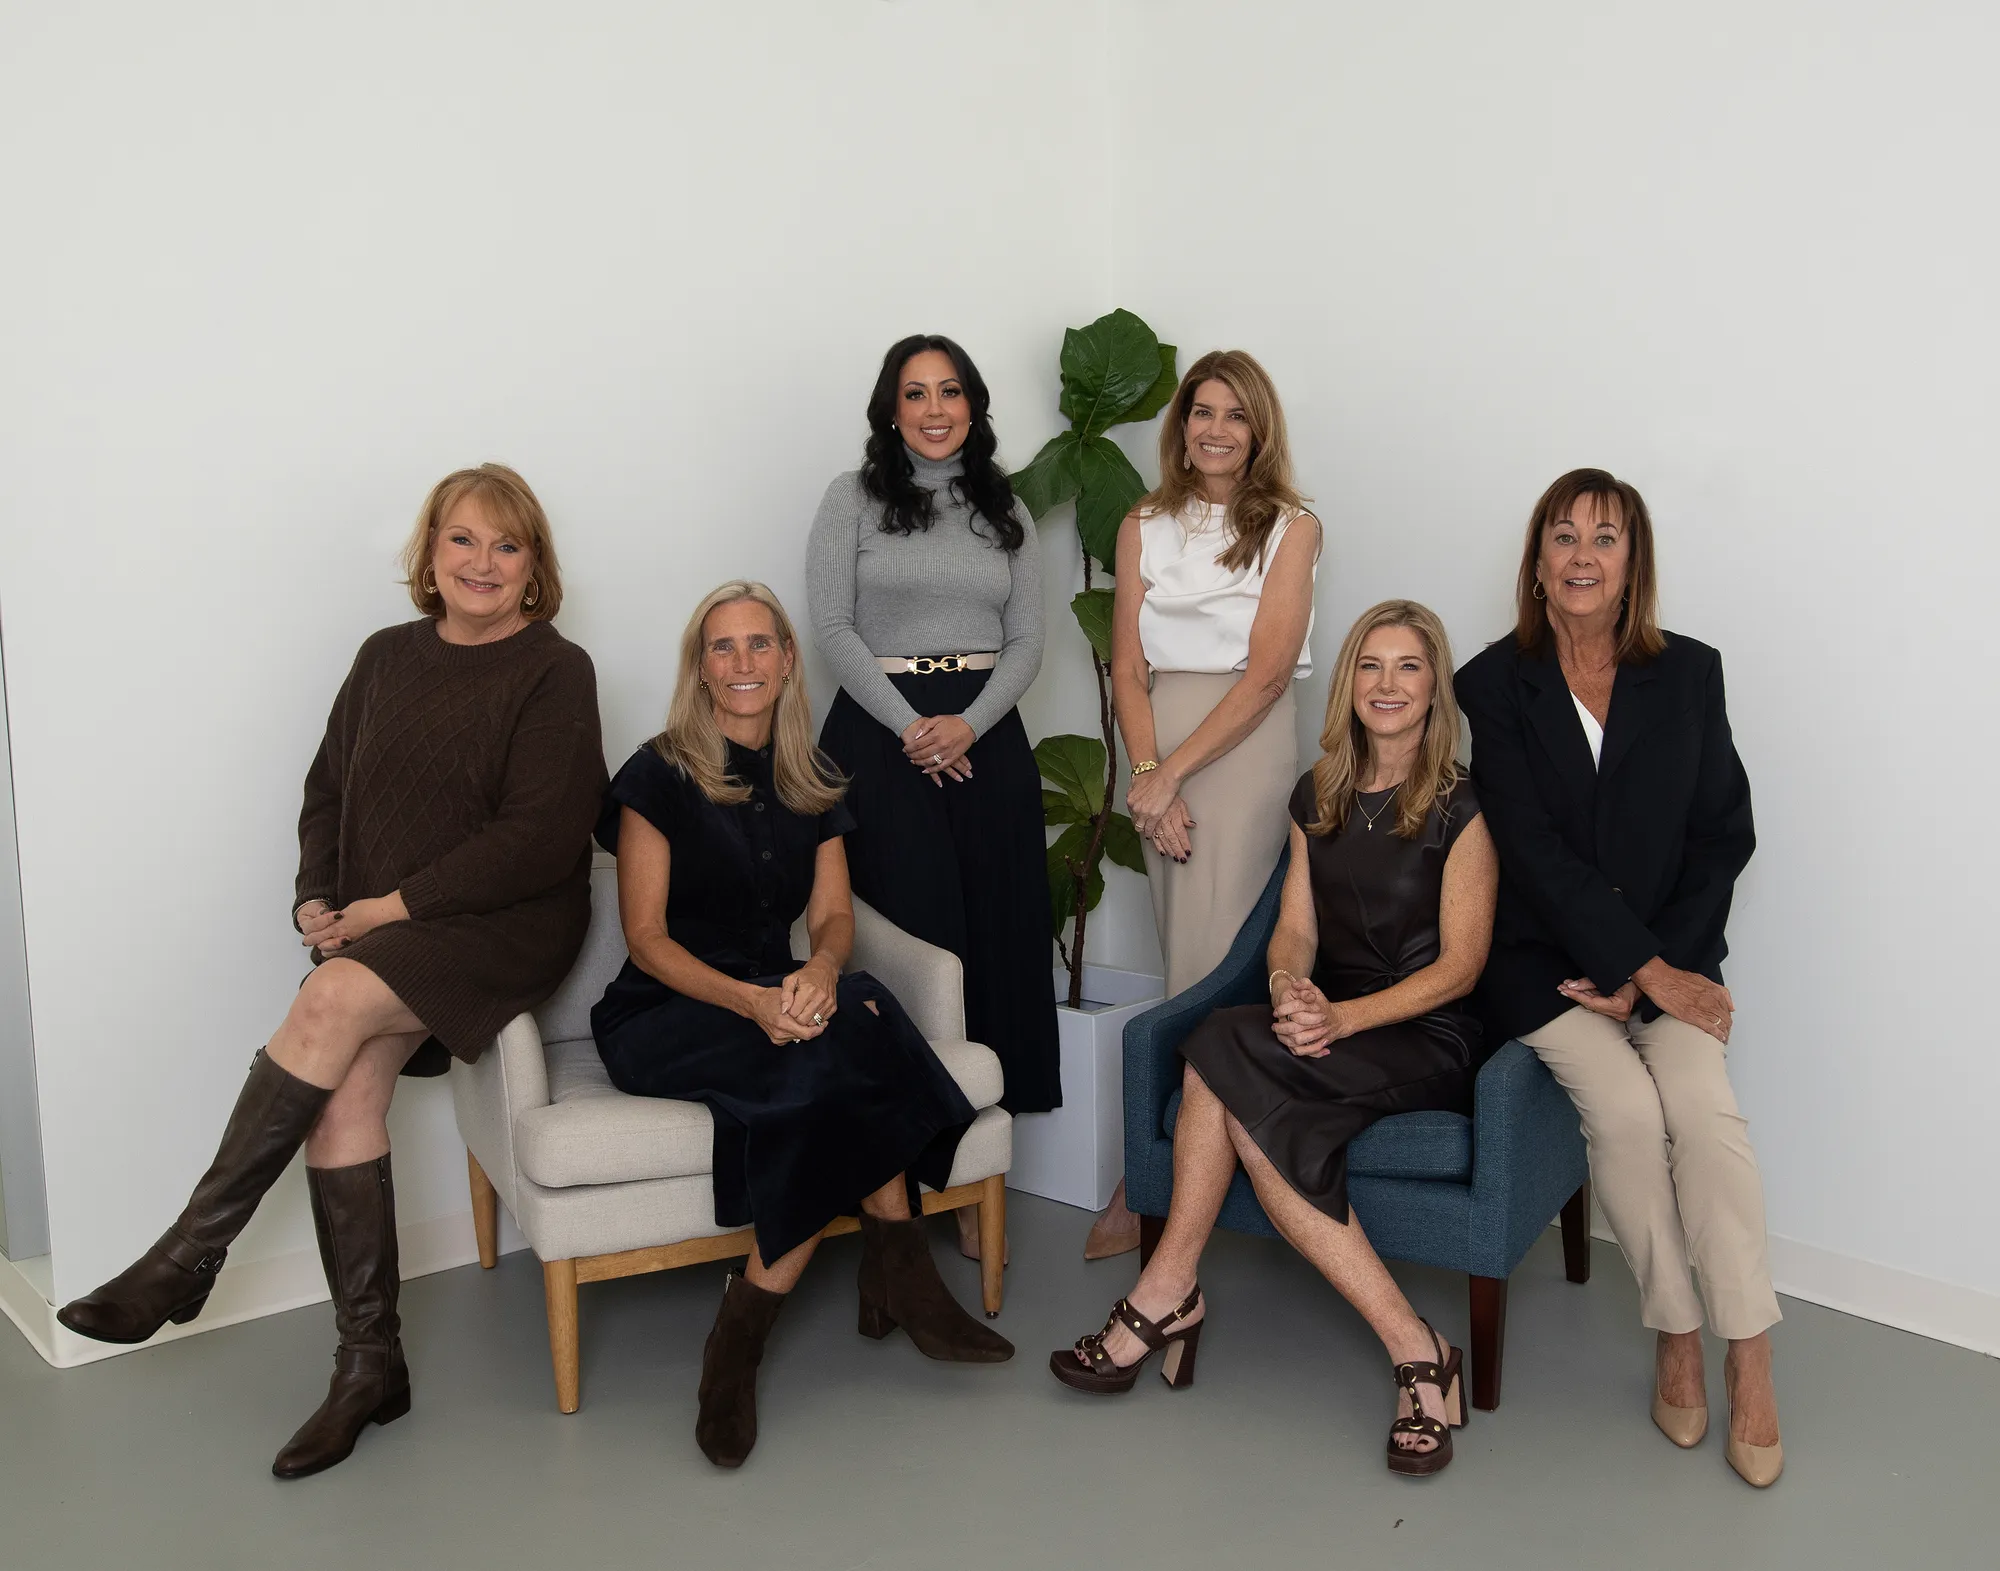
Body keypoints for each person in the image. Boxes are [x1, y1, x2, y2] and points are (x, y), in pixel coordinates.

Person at [58, 464, 606, 1478]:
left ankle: (184, 1257)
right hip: (380, 929)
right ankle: (371, 1364)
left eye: (506, 545)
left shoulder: (553, 668)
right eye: (461, 540)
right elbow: (326, 790)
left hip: (505, 924)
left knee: (331, 996)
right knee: (346, 1077)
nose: (481, 562)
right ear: (429, 554)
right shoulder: (383, 656)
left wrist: (388, 910)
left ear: (534, 569)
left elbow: (540, 836)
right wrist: (315, 894)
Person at [1053, 601, 1497, 1477]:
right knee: (1225, 1044)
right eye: (1371, 665)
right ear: (1348, 683)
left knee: (1227, 1077)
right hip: (1330, 1016)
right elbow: (1291, 929)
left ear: (1433, 687)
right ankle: (1407, 1349)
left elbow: (1462, 969)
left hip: (1420, 1033)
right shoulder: (1318, 795)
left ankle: (1174, 1298)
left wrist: (1343, 1017)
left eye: (1408, 667)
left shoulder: (1460, 806)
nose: (1387, 684)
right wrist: (1291, 987)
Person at [592, 581, 1012, 1469]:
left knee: (858, 1003)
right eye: (722, 647)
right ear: (700, 670)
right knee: (832, 1056)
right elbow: (646, 938)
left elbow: (831, 920)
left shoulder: (811, 779)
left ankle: (848, 1290)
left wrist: (818, 972)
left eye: (760, 644)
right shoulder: (656, 772)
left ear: (787, 660)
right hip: (668, 1009)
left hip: (774, 993)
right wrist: (753, 1001)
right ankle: (786, 1327)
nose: (743, 663)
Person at [1454, 468, 1782, 1488]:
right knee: (1629, 1119)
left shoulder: (1687, 673)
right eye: (1563, 535)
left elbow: (1720, 835)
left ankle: (1749, 1350)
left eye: (1605, 536)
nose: (1583, 554)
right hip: (1543, 970)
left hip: (1669, 961)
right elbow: (1534, 852)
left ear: (1631, 560)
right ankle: (1675, 1331)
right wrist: (1625, 969)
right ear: (1537, 562)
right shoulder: (1490, 683)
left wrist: (1655, 976)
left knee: (1702, 1108)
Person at [807, 333, 1054, 1261]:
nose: (936, 409)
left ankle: (969, 1175)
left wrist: (967, 725)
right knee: (906, 944)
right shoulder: (854, 498)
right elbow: (830, 625)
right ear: (891, 409)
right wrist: (914, 724)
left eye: (951, 391)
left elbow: (1028, 642)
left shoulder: (1006, 507)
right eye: (916, 394)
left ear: (974, 404)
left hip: (985, 735)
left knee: (992, 941)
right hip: (881, 733)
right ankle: (895, 1177)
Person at [1085, 348, 1320, 1258]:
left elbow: (1266, 677)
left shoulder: (1293, 527)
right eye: (1201, 411)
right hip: (1160, 759)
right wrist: (1148, 772)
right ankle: (1176, 1168)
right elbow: (1128, 666)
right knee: (1181, 946)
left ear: (1259, 430)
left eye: (1235, 414)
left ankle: (1158, 1180)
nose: (1215, 429)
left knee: (1221, 964)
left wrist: (1171, 772)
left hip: (1241, 748)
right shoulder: (1143, 522)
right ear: (1182, 424)